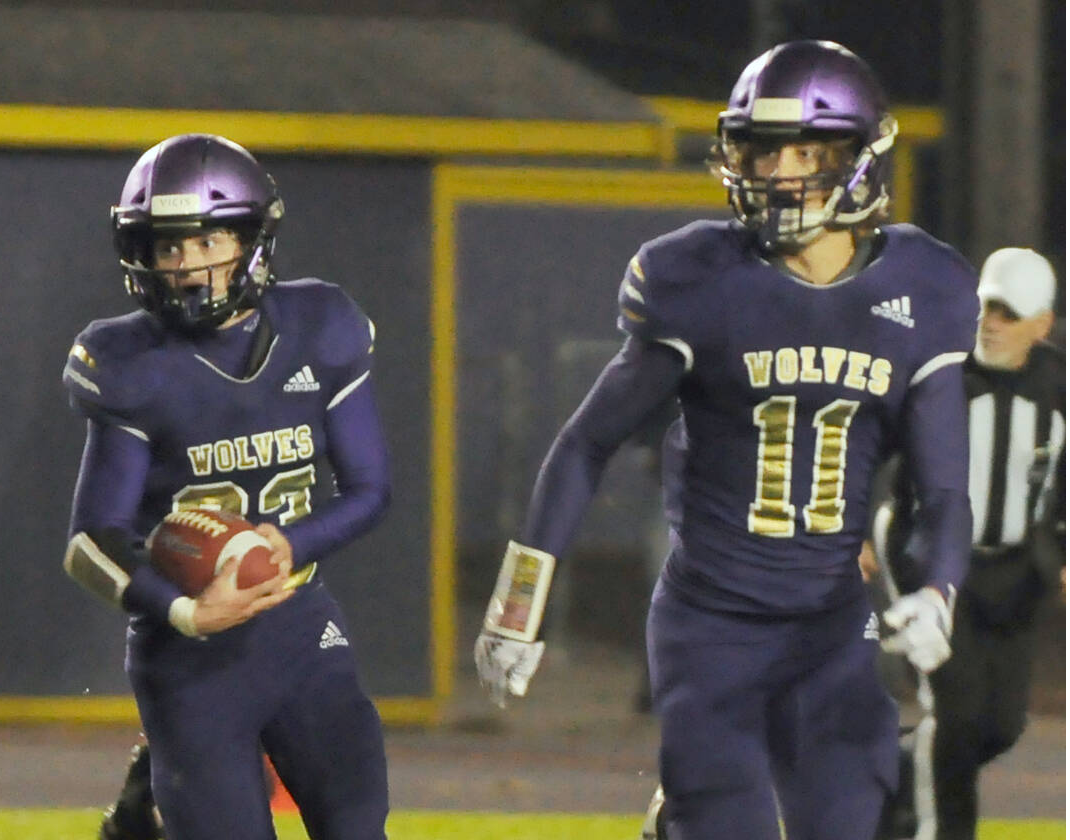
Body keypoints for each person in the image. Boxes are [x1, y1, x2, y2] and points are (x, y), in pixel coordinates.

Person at [471, 40, 979, 840]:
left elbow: (946, 486)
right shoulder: (699, 279)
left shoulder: (924, 287)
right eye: (764, 150)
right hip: (712, 625)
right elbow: (585, 445)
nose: (780, 173)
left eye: (807, 151)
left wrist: (938, 592)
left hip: (831, 627)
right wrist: (518, 604)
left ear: (858, 155)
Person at [61, 133, 392, 840]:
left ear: (250, 239)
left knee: (359, 826)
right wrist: (186, 611)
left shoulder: (320, 327)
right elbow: (91, 541)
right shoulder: (130, 362)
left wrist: (288, 542)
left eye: (207, 239)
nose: (186, 265)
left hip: (302, 628)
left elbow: (370, 490)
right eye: (167, 247)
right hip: (188, 657)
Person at [871, 247, 1065, 840]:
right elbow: (867, 450)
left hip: (1015, 570)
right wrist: (853, 529)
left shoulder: (1059, 386)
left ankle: (889, 774)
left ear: (1043, 324)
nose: (994, 323)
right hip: (930, 564)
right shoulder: (939, 372)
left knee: (1000, 725)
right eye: (988, 308)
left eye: (1011, 313)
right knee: (954, 715)